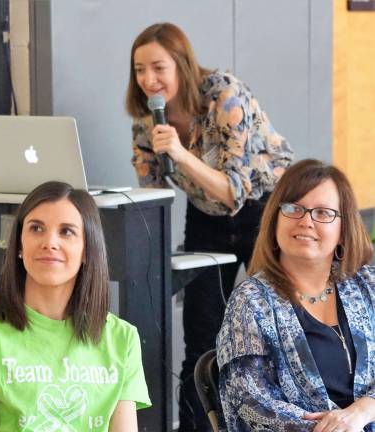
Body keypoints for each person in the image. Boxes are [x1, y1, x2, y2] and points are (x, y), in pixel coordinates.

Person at [126, 22, 294, 431]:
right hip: (205, 216)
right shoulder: (148, 121)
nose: (149, 80)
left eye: (159, 67)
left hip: (263, 210)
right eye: (139, 69)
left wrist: (180, 155)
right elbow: (151, 194)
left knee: (272, 328)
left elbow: (234, 191)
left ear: (182, 64)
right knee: (200, 337)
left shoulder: (222, 94)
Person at [0, 181, 151, 432]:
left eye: (67, 231)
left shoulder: (122, 339)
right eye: (36, 228)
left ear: (87, 250)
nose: (49, 242)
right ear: (18, 245)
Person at [217, 159, 375, 431]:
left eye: (323, 213)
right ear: (275, 219)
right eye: (294, 208)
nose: (306, 222)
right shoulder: (251, 301)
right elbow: (249, 401)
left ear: (342, 229)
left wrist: (363, 410)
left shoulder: (367, 284)